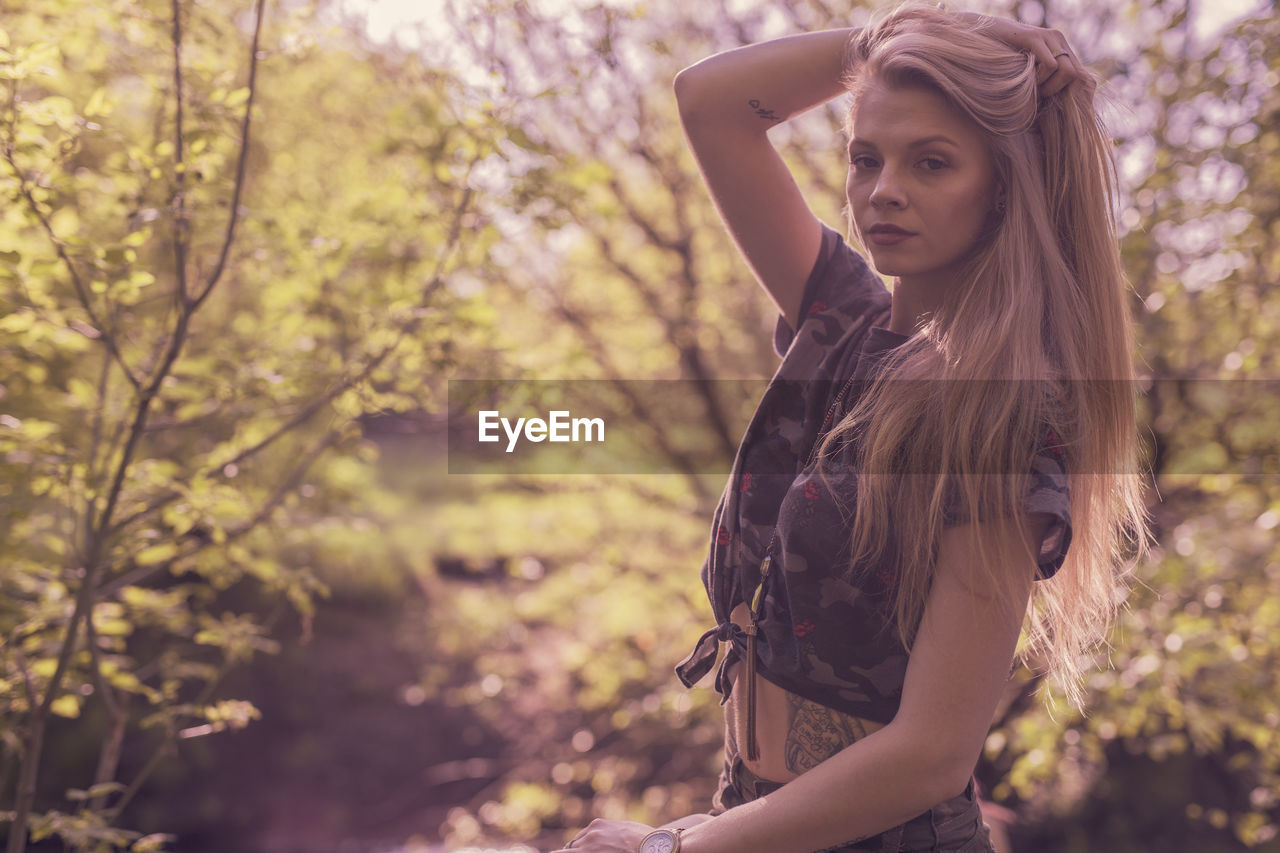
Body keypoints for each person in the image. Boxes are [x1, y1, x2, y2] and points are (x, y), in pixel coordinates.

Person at [556, 2, 1147, 851]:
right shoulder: (838, 319)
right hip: (756, 814)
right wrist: (890, 40)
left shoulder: (1006, 413)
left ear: (1004, 190)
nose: (884, 191)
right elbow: (710, 103)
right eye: (865, 159)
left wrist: (667, 848)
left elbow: (931, 757)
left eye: (932, 163)